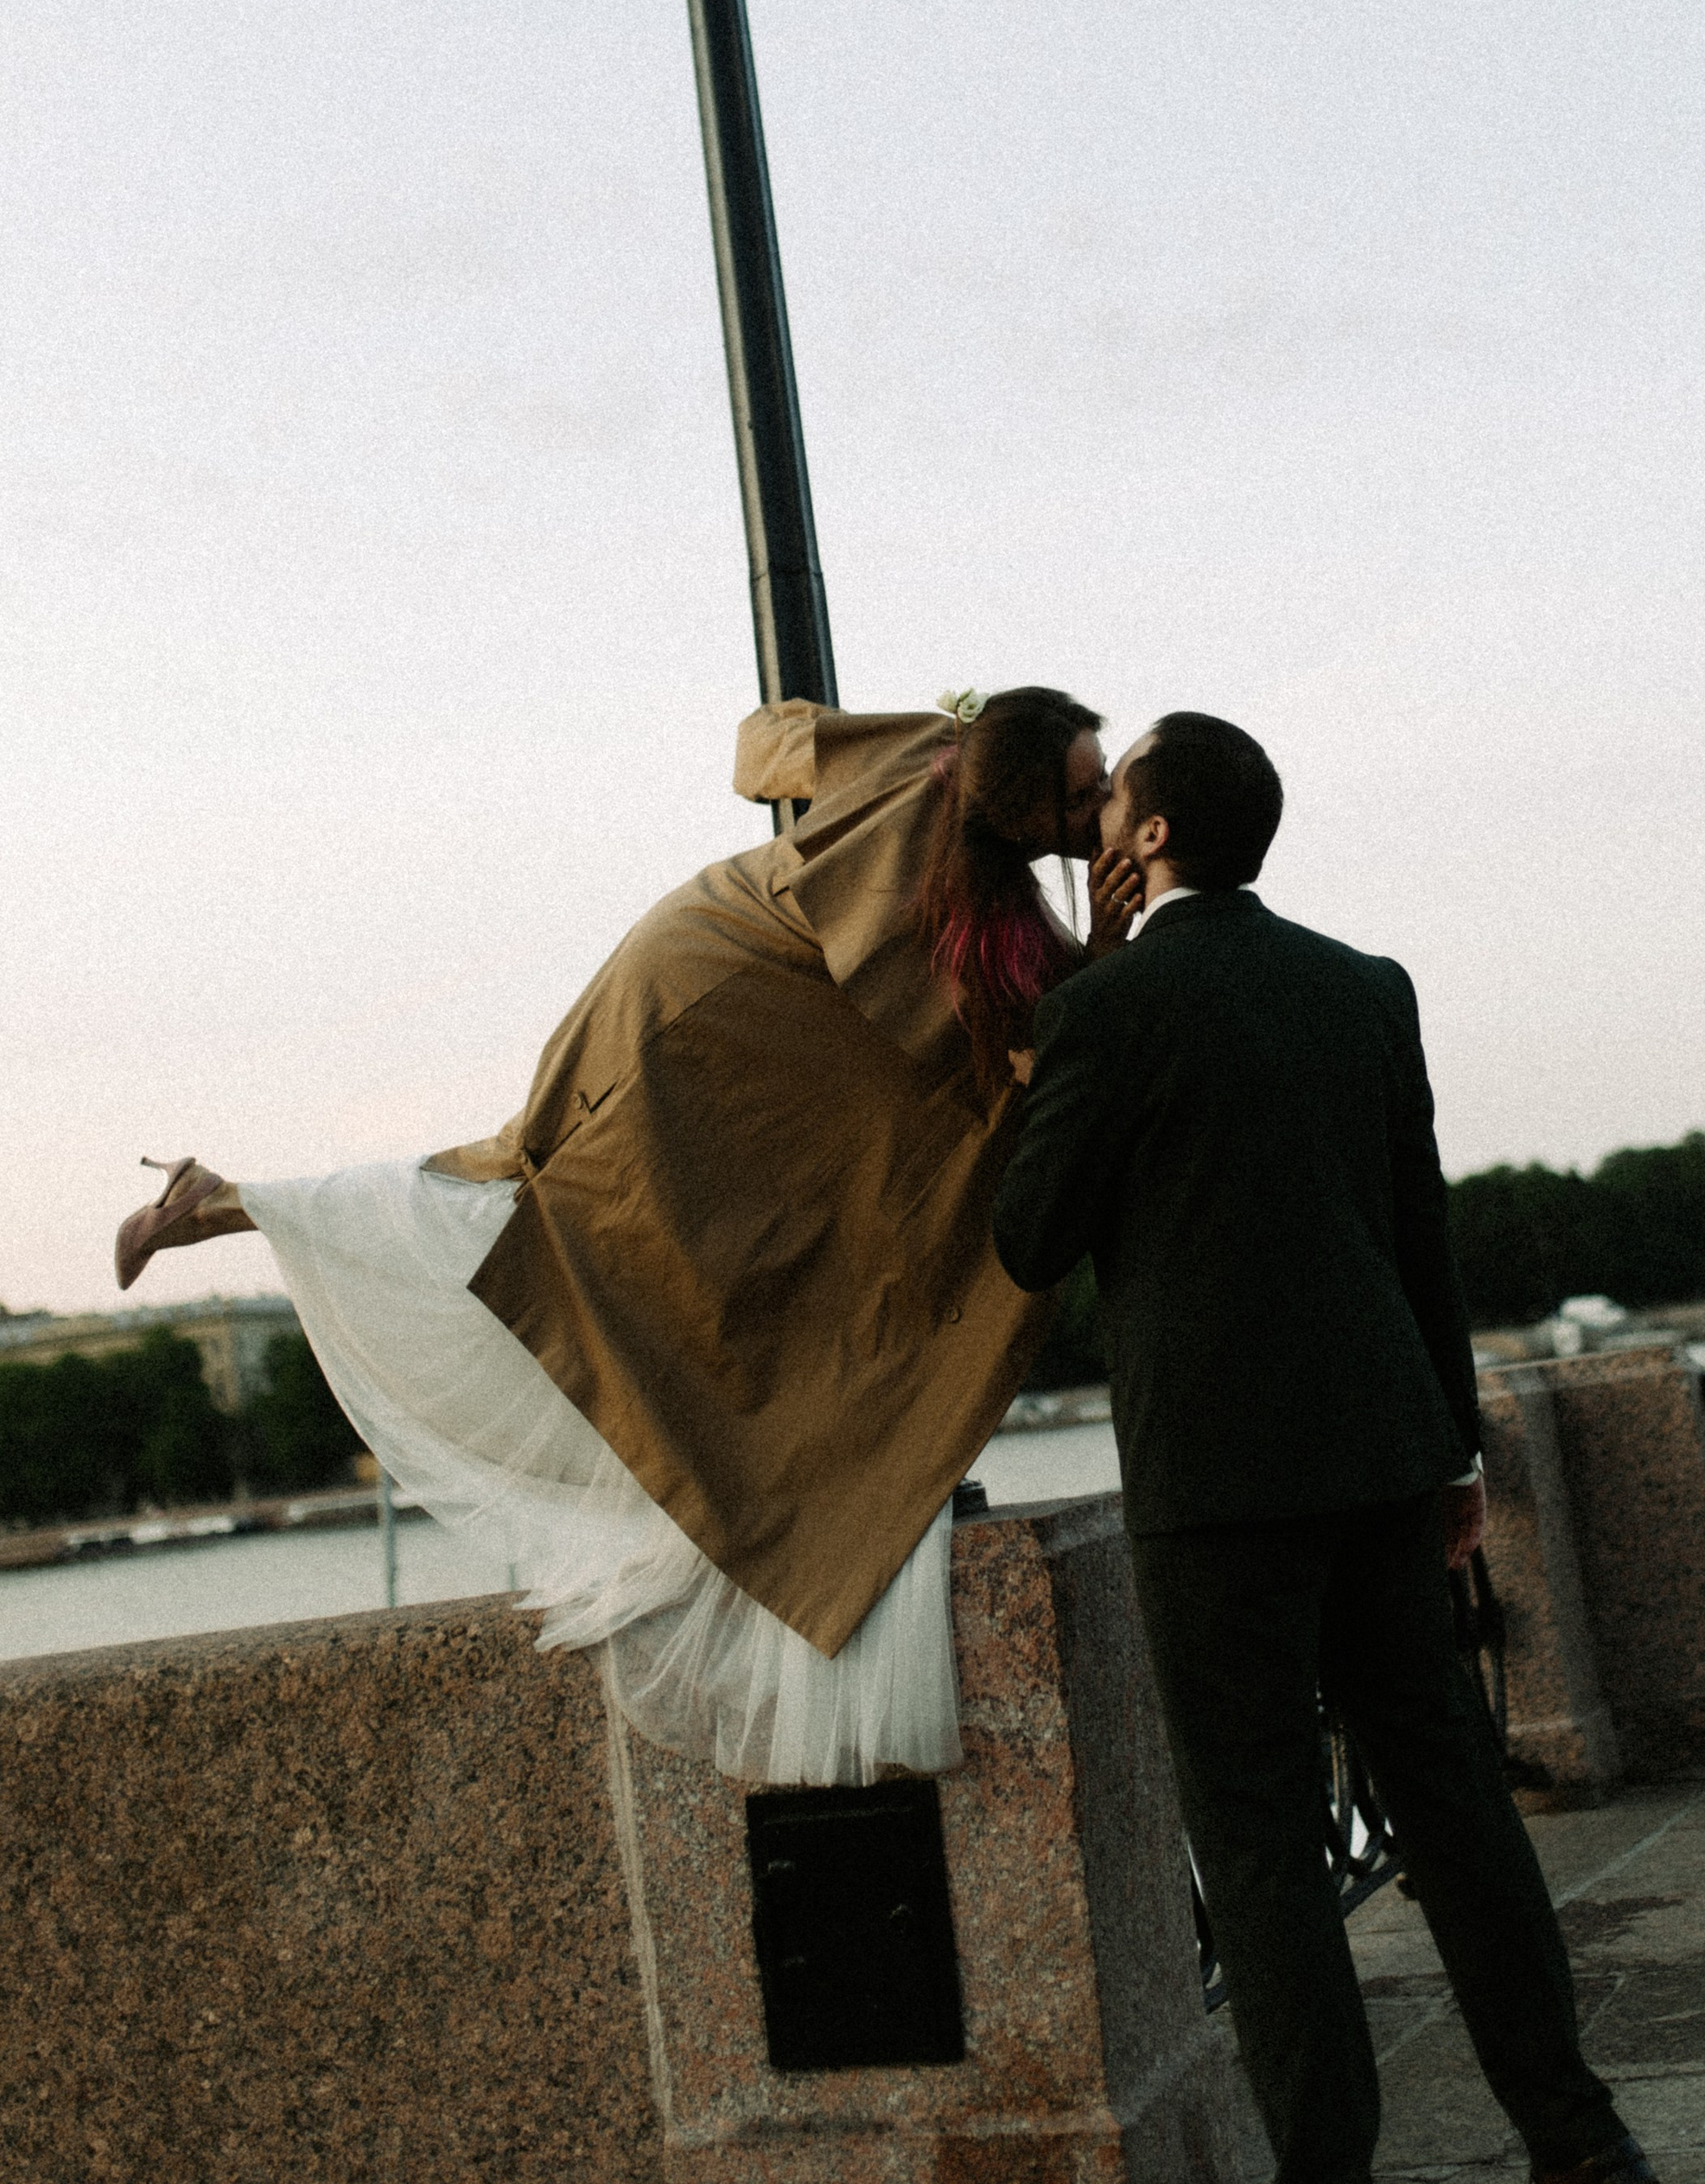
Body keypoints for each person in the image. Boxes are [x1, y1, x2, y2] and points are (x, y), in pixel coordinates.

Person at [112, 689, 1142, 1785]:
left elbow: (768, 746)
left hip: (707, 967)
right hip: (700, 1018)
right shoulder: (960, 890)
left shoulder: (941, 767)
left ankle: (229, 1201)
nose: (1101, 806)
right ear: (1022, 810)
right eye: (1082, 792)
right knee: (546, 1205)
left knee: (558, 1200)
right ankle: (237, 1203)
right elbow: (1031, 1050)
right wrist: (1111, 941)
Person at [990, 712, 1655, 2184]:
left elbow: (1026, 1237)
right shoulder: (1365, 987)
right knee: (1447, 1804)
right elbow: (1414, 1227)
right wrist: (1445, 1445)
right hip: (1376, 1451)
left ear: (1140, 842)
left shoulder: (1104, 1008)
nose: (1097, 823)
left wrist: (1037, 1079)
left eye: (1111, 802)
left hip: (1218, 1489)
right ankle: (1573, 2150)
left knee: (1266, 1852)